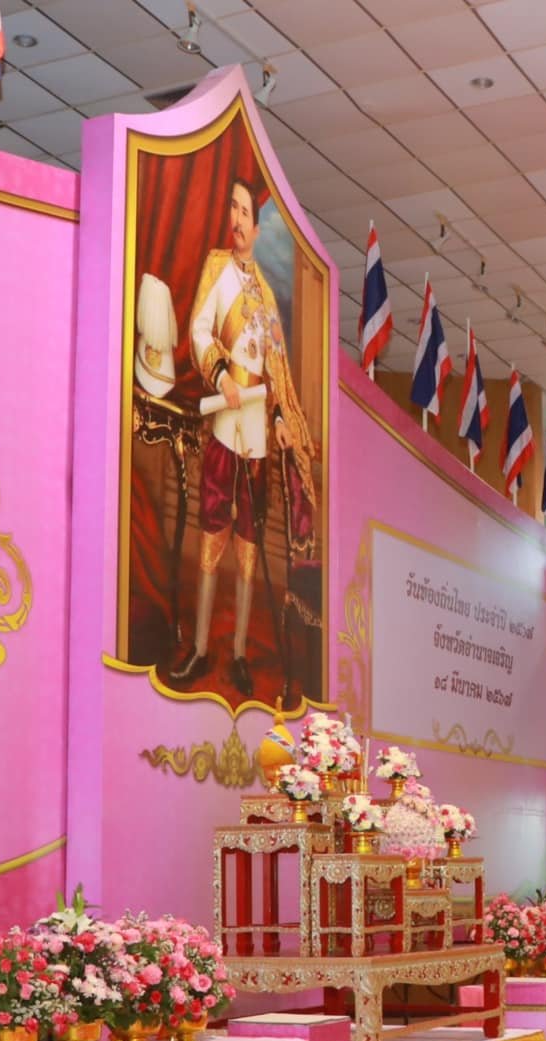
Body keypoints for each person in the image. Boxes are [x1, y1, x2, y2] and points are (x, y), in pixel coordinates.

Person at [168, 175, 316, 699]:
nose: (236, 219)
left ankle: (237, 656)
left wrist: (278, 421)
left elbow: (274, 372)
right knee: (212, 534)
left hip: (256, 434)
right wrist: (220, 376)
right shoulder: (217, 269)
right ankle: (200, 649)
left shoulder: (268, 297)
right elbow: (199, 330)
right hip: (224, 421)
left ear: (255, 227)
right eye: (232, 208)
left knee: (250, 546)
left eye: (244, 212)